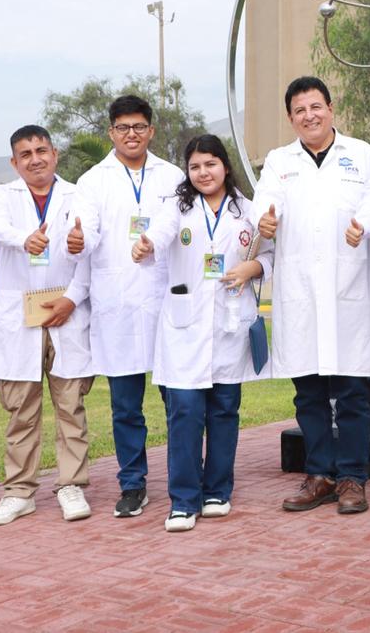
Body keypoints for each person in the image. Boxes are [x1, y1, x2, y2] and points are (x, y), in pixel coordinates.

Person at [251, 76, 370, 515]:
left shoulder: (361, 155)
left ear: (331, 108)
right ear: (291, 118)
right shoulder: (278, 160)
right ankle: (320, 475)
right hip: (301, 293)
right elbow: (264, 202)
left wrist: (363, 224)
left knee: (351, 393)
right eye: (299, 110)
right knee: (307, 392)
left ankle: (352, 478)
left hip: (348, 289)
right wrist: (264, 221)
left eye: (316, 107)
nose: (309, 116)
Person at [132, 134, 274, 533]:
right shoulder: (177, 209)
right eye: (194, 166)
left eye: (210, 164)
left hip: (230, 323)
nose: (203, 172)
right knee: (186, 413)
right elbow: (158, 235)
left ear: (225, 166)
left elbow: (270, 254)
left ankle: (217, 491)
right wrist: (145, 246)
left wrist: (254, 269)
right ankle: (183, 499)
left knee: (225, 412)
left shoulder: (247, 210)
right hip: (185, 326)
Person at [66, 95, 184, 518]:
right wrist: (80, 241)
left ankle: (183, 479)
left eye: (138, 127)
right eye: (122, 128)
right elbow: (87, 230)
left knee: (179, 402)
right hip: (117, 303)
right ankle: (133, 484)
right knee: (125, 407)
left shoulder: (172, 176)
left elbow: (180, 225)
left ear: (151, 131)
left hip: (164, 299)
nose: (131, 135)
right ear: (111, 132)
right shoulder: (92, 181)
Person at [0, 125, 94, 526]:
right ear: (15, 162)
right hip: (20, 316)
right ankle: (18, 492)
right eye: (25, 154)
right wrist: (23, 238)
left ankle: (71, 484)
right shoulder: (1, 195)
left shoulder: (78, 194)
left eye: (41, 150)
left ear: (55, 154)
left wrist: (72, 297)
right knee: (20, 409)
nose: (35, 159)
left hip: (67, 311)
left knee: (70, 406)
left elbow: (89, 252)